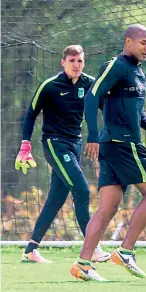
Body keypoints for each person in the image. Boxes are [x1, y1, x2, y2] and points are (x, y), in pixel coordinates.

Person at [70, 24, 146, 281]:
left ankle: (82, 263)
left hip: (118, 145)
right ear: (128, 41)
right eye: (143, 43)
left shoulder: (137, 71)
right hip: (122, 143)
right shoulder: (117, 65)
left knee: (108, 208)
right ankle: (125, 251)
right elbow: (92, 96)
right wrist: (93, 135)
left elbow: (137, 110)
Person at [16, 45, 110, 264]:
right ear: (63, 62)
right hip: (55, 144)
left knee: (56, 198)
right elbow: (30, 114)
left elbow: (103, 107)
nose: (76, 65)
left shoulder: (89, 84)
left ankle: (31, 249)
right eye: (72, 61)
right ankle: (92, 247)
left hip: (75, 145)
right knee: (82, 189)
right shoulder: (50, 86)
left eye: (80, 61)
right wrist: (24, 145)